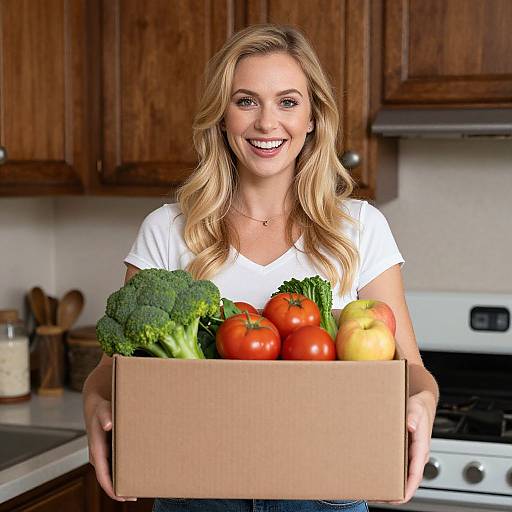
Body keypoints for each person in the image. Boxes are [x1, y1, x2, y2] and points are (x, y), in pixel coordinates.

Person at [83, 24, 439, 512]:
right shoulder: (168, 229)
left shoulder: (359, 227)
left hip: (324, 494)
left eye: (288, 102)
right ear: (221, 117)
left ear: (313, 118)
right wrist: (95, 401)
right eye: (246, 101)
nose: (267, 123)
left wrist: (423, 401)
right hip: (196, 494)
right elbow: (111, 370)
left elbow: (412, 371)